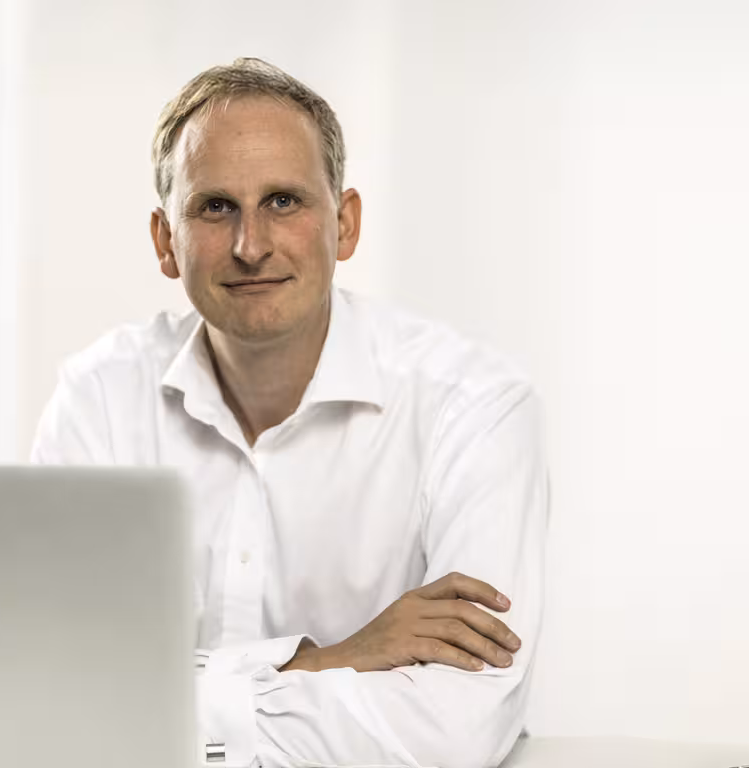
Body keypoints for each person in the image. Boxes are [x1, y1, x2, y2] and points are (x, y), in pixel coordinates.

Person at [30, 58, 548, 768]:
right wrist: (335, 660)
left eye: (283, 201)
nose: (251, 246)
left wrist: (176, 705)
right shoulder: (99, 400)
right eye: (215, 207)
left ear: (346, 224)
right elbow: (49, 701)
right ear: (163, 242)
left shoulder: (474, 406)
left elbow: (456, 734)